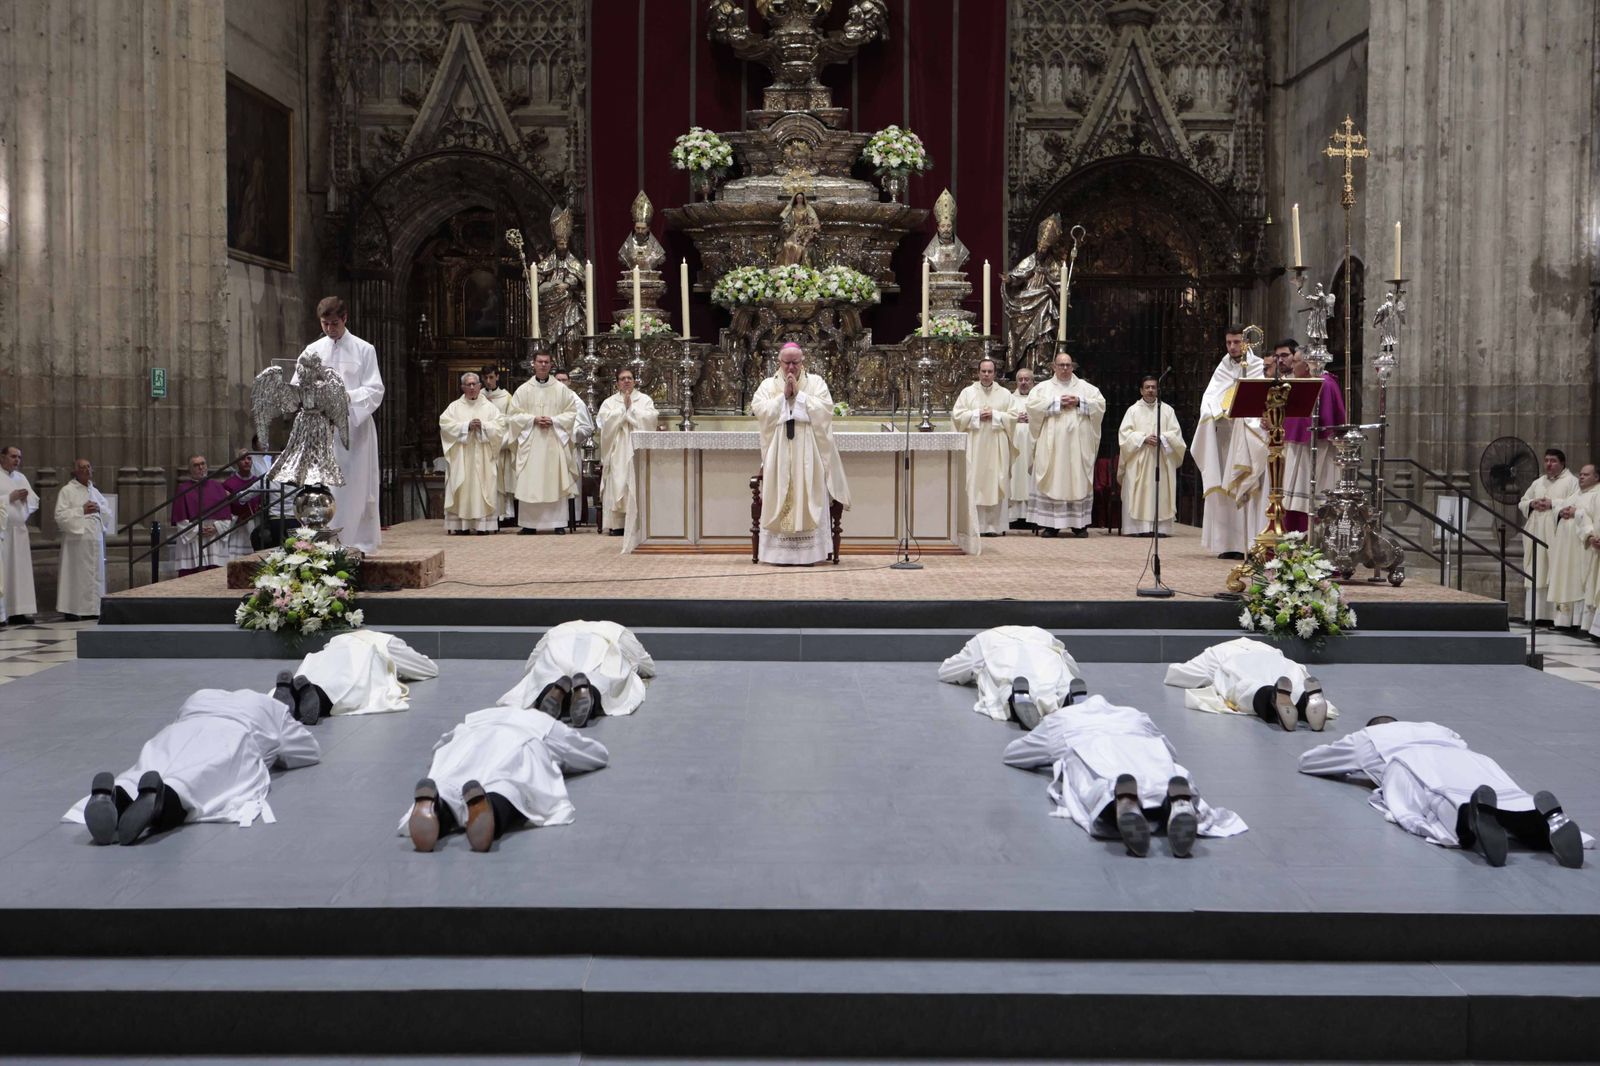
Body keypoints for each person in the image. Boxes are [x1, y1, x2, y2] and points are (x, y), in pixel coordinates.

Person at [1299, 716, 1590, 868]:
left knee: (1434, 795)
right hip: (1469, 760)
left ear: (1374, 725)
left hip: (1411, 761)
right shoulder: (1436, 728)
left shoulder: (1367, 738)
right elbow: (1461, 743)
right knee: (1504, 791)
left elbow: (1310, 762)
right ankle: (1542, 821)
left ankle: (1471, 819)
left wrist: (1354, 767)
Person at [63, 682, 319, 845]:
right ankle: (162, 799)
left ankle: (118, 793)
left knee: (156, 763)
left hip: (180, 731)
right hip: (231, 734)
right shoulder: (271, 707)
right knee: (198, 779)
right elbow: (308, 751)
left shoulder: (201, 695)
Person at [1002, 694, 1247, 857]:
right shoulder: (1132, 714)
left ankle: (1120, 799)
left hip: (1091, 746)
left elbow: (1014, 755)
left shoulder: (1059, 721)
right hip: (1143, 747)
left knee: (1089, 779)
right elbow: (1171, 751)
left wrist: (1045, 742)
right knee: (1165, 770)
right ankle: (1177, 802)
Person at [403, 705, 610, 852]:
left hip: (468, 741)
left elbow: (440, 745)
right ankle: (489, 808)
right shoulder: (543, 722)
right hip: (517, 742)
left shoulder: (478, 716)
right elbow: (595, 755)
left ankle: (438, 807)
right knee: (509, 786)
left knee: (450, 783)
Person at [750, 342, 851, 565]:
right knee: (780, 492)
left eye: (796, 362)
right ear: (779, 362)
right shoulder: (768, 385)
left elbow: (826, 410)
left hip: (809, 453)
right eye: (787, 362)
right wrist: (783, 398)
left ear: (802, 361)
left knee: (809, 492)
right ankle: (778, 554)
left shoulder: (816, 382)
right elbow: (759, 409)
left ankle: (809, 554)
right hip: (779, 453)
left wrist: (799, 396)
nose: (791, 367)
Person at [297, 296, 384, 554]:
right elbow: (299, 385)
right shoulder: (312, 351)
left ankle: (357, 541)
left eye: (334, 323)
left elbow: (375, 389)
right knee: (324, 484)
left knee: (353, 485)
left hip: (353, 429)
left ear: (345, 319)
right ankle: (323, 539)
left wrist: (347, 397)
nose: (329, 329)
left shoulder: (363, 349)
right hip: (321, 429)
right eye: (325, 324)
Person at [499, 620, 656, 727]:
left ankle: (553, 689)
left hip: (559, 645)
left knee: (546, 674)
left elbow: (532, 663)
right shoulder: (617, 630)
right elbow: (646, 664)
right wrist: (635, 668)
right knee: (605, 676)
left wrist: (536, 674)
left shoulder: (558, 628)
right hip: (601, 644)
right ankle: (587, 690)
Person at [1163, 636, 1335, 732]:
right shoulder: (1263, 645)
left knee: (1245, 687)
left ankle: (1270, 697)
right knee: (1292, 681)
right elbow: (1296, 667)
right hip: (1275, 659)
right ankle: (1303, 700)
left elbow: (1178, 675)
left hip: (1237, 662)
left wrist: (1175, 667)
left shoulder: (1215, 652)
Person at [1194, 327, 1263, 559]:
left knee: (1246, 484)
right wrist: (1216, 411)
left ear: (1246, 342)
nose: (1232, 347)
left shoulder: (1257, 367)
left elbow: (1260, 399)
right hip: (1225, 437)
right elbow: (1209, 398)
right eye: (1228, 342)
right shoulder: (1222, 368)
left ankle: (1251, 544)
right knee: (1225, 488)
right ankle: (1229, 543)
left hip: (1247, 438)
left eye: (1236, 342)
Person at [937, 625, 1087, 729]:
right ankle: (1067, 693)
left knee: (1003, 681)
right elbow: (1070, 663)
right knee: (1059, 677)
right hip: (1044, 655)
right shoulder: (1041, 633)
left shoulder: (982, 639)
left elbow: (947, 671)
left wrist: (973, 674)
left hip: (1002, 655)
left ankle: (1015, 696)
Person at [1025, 352, 1105, 538]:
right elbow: (1032, 407)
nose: (1065, 368)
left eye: (1068, 365)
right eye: (1061, 365)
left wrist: (1079, 402)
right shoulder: (1043, 388)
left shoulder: (1086, 388)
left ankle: (1079, 525)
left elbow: (1100, 405)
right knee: (1054, 476)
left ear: (1073, 367)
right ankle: (1051, 525)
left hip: (1078, 446)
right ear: (1054, 367)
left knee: (1077, 477)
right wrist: (1056, 402)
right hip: (1052, 446)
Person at [286, 629, 439, 724]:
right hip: (363, 652)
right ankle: (317, 698)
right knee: (350, 684)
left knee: (320, 674)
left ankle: (291, 694)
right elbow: (428, 669)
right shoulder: (388, 641)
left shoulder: (341, 637)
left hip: (332, 652)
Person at [508, 351, 583, 534]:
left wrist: (554, 421)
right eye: (539, 362)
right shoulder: (523, 390)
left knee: (554, 480)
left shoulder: (561, 389)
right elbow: (512, 415)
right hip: (531, 442)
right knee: (530, 480)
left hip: (553, 441)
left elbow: (571, 413)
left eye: (546, 362)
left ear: (551, 365)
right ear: (533, 364)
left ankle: (558, 523)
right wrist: (532, 420)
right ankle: (529, 524)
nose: (543, 365)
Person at [1279, 341, 1347, 532]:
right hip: (1302, 450)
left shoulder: (1323, 384)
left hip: (1314, 453)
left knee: (1309, 501)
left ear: (1308, 364)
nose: (1292, 365)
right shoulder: (1308, 383)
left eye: (1297, 361)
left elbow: (1317, 424)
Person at [950, 358, 1018, 537]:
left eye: (990, 371)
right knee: (975, 481)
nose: (986, 375)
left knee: (996, 481)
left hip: (997, 446)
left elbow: (1013, 417)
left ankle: (994, 526)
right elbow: (957, 416)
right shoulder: (967, 393)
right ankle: (975, 526)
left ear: (995, 373)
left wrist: (995, 415)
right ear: (978, 372)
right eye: (983, 371)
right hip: (975, 445)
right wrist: (976, 414)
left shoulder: (1004, 393)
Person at [1116, 373, 1187, 537]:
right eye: (1147, 387)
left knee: (1159, 491)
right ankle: (1137, 528)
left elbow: (1176, 434)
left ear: (1158, 390)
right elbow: (1124, 435)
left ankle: (1160, 529)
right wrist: (1142, 438)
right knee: (1137, 491)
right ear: (1141, 390)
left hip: (1160, 459)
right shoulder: (1132, 411)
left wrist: (1163, 438)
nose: (1150, 390)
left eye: (1153, 387)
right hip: (1139, 459)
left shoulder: (1167, 410)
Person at [439, 371, 507, 535]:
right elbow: (445, 424)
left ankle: (483, 525)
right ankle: (461, 525)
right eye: (467, 385)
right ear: (462, 387)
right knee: (462, 486)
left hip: (483, 456)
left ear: (479, 386)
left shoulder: (490, 408)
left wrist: (483, 426)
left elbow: (500, 427)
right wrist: (465, 426)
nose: (471, 387)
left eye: (474, 384)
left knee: (483, 487)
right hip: (461, 456)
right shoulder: (454, 407)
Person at [1520, 448, 1578, 626]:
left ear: (1562, 463)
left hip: (1556, 534)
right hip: (1536, 532)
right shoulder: (1538, 483)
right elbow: (1522, 501)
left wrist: (1553, 504)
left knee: (1556, 572)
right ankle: (1535, 615)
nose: (1548, 464)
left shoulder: (1571, 481)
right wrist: (1532, 503)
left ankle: (1556, 618)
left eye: (1553, 461)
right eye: (1546, 460)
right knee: (1536, 570)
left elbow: (1576, 503)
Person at [597, 368, 658, 535]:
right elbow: (604, 423)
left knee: (636, 481)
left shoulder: (644, 400)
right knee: (618, 481)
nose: (626, 381)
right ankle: (617, 525)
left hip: (637, 448)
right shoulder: (609, 402)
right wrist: (622, 410)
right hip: (618, 450)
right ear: (617, 383)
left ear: (635, 381)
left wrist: (631, 410)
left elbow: (651, 419)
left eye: (629, 378)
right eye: (622, 378)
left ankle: (639, 523)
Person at [1003, 214, 1065, 364]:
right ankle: (1024, 365)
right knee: (1023, 336)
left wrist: (1061, 292)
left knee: (1043, 335)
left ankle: (1041, 366)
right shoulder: (1030, 260)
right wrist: (1010, 279)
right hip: (1026, 302)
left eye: (1044, 247)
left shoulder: (1054, 266)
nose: (1041, 249)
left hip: (1044, 304)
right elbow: (1018, 274)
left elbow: (1060, 287)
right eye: (1040, 245)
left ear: (1049, 248)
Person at [1546, 462, 1600, 630]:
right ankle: (1564, 621)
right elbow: (1560, 506)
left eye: (1586, 474)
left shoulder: (1596, 494)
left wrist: (1577, 513)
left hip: (1582, 548)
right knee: (1565, 579)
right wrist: (1561, 512)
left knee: (1581, 581)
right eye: (1581, 474)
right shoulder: (1577, 493)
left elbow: (1594, 519)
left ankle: (1580, 623)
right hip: (1566, 548)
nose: (1581, 477)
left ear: (1597, 477)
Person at [55, 458, 108, 620]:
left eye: (88, 467)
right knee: (76, 576)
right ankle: (73, 609)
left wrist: (99, 509)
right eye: (82, 467)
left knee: (95, 575)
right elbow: (60, 516)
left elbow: (107, 512)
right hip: (77, 542)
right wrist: (81, 510)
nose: (86, 470)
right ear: (75, 471)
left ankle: (93, 608)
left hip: (94, 541)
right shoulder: (67, 491)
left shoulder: (95, 491)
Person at [170, 455, 234, 575]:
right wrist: (198, 530)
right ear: (190, 469)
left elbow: (226, 516)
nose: (201, 467)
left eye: (203, 464)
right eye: (196, 465)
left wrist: (216, 528)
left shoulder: (218, 487)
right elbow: (181, 520)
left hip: (214, 538)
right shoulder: (183, 489)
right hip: (193, 538)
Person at [0, 444, 39, 625]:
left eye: (19, 457)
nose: (17, 460)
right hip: (3, 532)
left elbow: (34, 499)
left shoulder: (21, 477)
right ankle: (3, 612)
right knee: (4, 572)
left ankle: (19, 611)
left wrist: (25, 499)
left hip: (19, 531)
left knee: (19, 572)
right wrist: (9, 498)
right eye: (13, 456)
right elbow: (7, 499)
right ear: (2, 457)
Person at [537, 206, 587, 346]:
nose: (563, 246)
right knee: (547, 337)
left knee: (571, 334)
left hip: (567, 303)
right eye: (560, 243)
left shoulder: (572, 261)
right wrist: (533, 275)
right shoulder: (549, 260)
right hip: (549, 303)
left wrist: (568, 284)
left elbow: (578, 276)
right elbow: (540, 273)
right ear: (555, 243)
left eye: (565, 243)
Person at [481, 367, 516, 525]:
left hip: (500, 444)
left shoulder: (506, 397)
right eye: (486, 378)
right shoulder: (478, 396)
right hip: (483, 444)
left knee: (503, 481)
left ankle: (505, 515)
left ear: (497, 377)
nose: (488, 381)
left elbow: (511, 420)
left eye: (491, 377)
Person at [221, 451, 265, 559]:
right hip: (236, 528)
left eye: (249, 459)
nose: (246, 462)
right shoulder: (228, 483)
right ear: (236, 462)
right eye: (242, 459)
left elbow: (263, 503)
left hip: (255, 526)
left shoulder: (258, 482)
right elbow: (225, 509)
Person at [1008, 368, 1036, 529]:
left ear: (1033, 382)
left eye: (1027, 380)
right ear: (1016, 382)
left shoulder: (1038, 400)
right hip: (1015, 446)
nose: (1024, 383)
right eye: (1021, 380)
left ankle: (1031, 516)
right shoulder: (1009, 400)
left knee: (1029, 478)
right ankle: (1013, 516)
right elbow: (1002, 416)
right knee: (1015, 477)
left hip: (1033, 445)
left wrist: (1032, 418)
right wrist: (1014, 418)